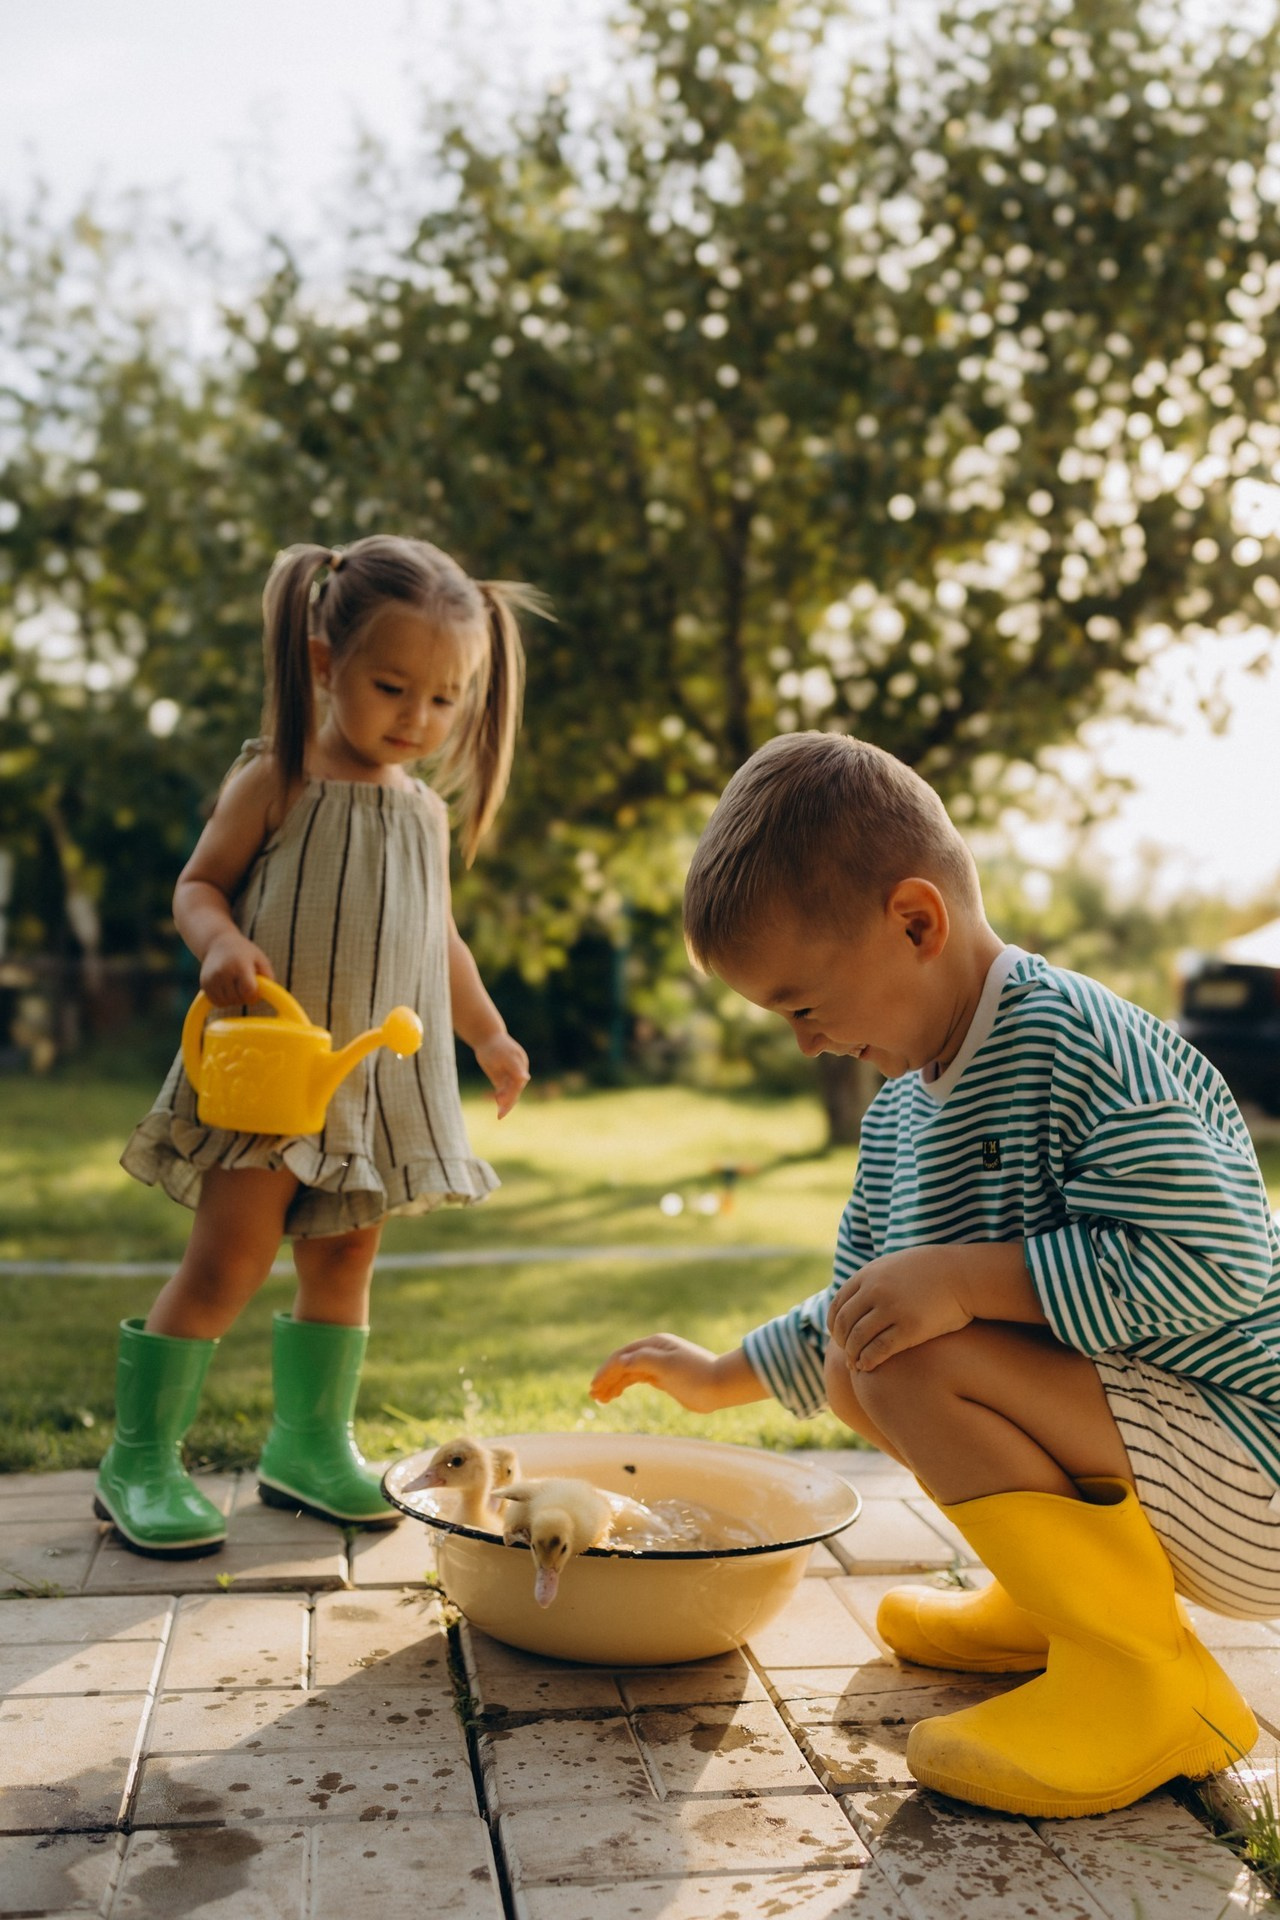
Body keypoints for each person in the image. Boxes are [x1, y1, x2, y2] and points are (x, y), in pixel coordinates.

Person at [592, 730, 1280, 1819]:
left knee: (910, 1358)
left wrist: (967, 1282)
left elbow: (1215, 1265)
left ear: (915, 922)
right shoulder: (908, 1103)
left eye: (802, 1004)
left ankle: (1147, 1677)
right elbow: (867, 1304)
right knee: (876, 1355)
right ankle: (1060, 1608)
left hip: (1251, 1465)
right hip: (1158, 1455)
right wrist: (720, 1372)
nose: (807, 1043)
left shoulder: (1086, 1049)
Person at [97, 536, 535, 1557]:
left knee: (343, 1261)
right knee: (228, 1265)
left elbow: (438, 941)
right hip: (272, 1079)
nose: (415, 719)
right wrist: (220, 940)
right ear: (321, 663)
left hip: (375, 1093)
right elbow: (196, 885)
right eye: (391, 687)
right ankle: (139, 1458)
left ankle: (305, 1444)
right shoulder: (279, 779)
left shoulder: (422, 811)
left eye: (443, 699)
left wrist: (490, 1034)